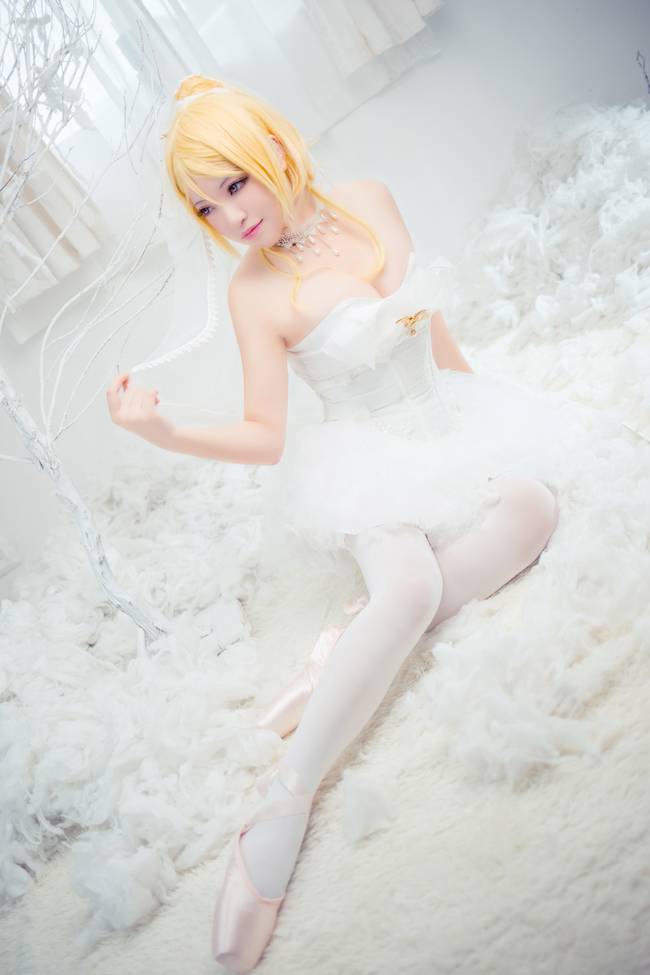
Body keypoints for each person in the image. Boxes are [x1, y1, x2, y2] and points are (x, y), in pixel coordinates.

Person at [106, 74, 592, 973]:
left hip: (440, 419)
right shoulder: (254, 292)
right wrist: (163, 431)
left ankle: (344, 646)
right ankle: (286, 798)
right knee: (409, 586)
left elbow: (427, 324)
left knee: (535, 506)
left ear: (274, 151)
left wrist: (490, 418)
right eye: (207, 206)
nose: (231, 216)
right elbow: (264, 434)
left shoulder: (368, 199)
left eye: (235, 184)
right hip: (364, 459)